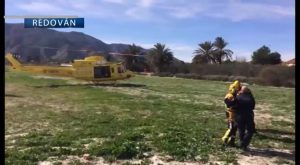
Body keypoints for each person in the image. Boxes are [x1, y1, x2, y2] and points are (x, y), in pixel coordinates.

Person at [222, 80, 241, 146]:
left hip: (235, 114)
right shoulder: (229, 96)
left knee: (235, 128)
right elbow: (228, 104)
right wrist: (235, 100)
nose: (237, 91)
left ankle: (231, 141)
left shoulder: (236, 96)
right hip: (231, 114)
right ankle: (225, 139)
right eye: (237, 89)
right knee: (231, 127)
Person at [235, 86, 256, 151]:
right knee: (250, 130)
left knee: (241, 129)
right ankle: (244, 144)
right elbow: (253, 106)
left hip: (239, 115)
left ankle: (242, 143)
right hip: (248, 115)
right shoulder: (250, 97)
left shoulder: (237, 97)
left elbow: (234, 106)